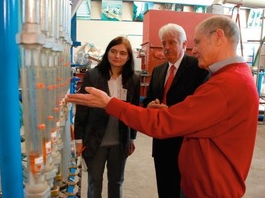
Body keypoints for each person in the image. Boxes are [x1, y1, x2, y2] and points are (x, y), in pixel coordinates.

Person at [66, 15, 259, 198]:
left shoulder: (226, 85)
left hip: (211, 190)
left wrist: (109, 103)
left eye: (198, 42)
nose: (194, 50)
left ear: (218, 37)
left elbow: (164, 123)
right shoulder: (231, 77)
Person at [142, 23, 210, 198]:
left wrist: (170, 110)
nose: (166, 48)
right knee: (164, 188)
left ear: (184, 44)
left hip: (185, 143)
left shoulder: (198, 68)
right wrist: (149, 106)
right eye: (164, 43)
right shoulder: (158, 71)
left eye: (172, 42)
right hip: (161, 141)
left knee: (183, 190)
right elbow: (148, 99)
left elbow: (200, 106)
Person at [73, 36, 140, 198]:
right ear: (108, 53)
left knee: (116, 182)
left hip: (120, 140)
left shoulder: (133, 80)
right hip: (95, 139)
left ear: (129, 57)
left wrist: (131, 138)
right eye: (114, 51)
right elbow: (82, 108)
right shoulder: (93, 76)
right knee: (94, 182)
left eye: (123, 53)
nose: (117, 56)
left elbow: (135, 111)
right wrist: (78, 140)